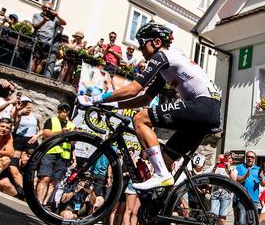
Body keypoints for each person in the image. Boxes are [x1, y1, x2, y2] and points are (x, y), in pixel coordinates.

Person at [77, 22, 221, 191]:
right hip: (207, 111)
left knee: (140, 119)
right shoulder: (169, 63)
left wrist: (96, 99)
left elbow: (133, 89)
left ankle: (161, 175)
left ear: (157, 42)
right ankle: (160, 207)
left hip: (202, 106)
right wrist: (115, 105)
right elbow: (144, 98)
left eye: (142, 44)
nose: (140, 49)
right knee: (165, 162)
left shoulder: (162, 56)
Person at [35, 103, 76, 206]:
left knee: (54, 180)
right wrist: (61, 132)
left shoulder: (72, 125)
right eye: (62, 109)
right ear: (58, 110)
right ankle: (39, 201)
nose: (64, 111)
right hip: (50, 152)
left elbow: (73, 143)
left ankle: (44, 203)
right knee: (45, 178)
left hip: (64, 156)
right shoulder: (51, 120)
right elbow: (46, 133)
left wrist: (73, 138)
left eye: (66, 109)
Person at [32, 1, 66, 76]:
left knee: (43, 61)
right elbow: (35, 26)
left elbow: (64, 23)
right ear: (42, 7)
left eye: (49, 8)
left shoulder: (53, 18)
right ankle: (30, 74)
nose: (47, 9)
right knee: (35, 58)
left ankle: (35, 76)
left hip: (48, 42)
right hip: (38, 39)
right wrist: (44, 21)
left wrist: (57, 15)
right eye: (45, 7)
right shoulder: (37, 15)